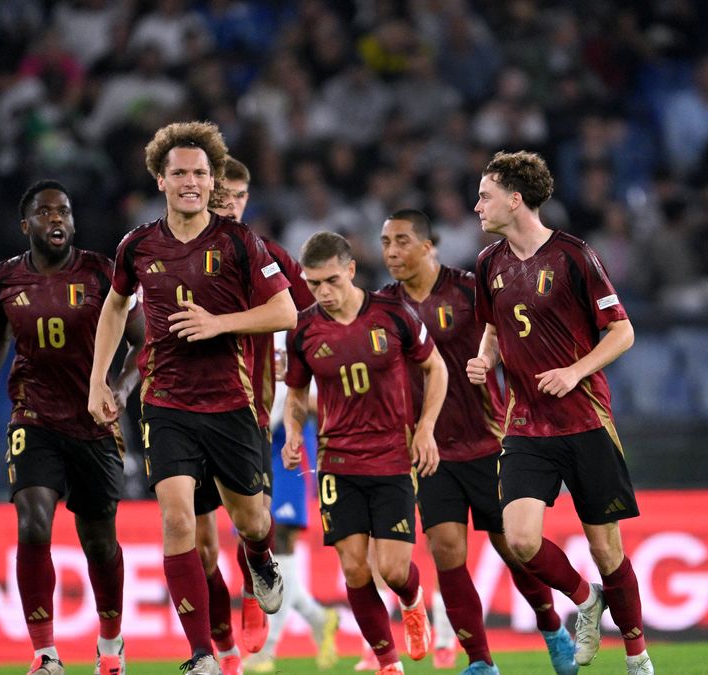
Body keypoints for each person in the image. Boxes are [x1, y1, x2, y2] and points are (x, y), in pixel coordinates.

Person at [87, 121, 297, 675]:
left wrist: (218, 323)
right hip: (166, 404)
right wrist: (98, 379)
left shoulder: (238, 242)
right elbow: (115, 307)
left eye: (200, 174)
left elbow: (286, 312)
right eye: (179, 173)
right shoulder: (137, 245)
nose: (190, 182)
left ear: (212, 181)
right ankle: (202, 654)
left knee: (252, 522)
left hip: (230, 403)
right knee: (179, 524)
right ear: (160, 179)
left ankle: (259, 559)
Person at [465, 151, 652, 675]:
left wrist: (575, 371)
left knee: (607, 551)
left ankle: (637, 657)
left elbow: (623, 331)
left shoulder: (574, 255)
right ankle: (586, 600)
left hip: (585, 419)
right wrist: (484, 358)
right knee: (521, 539)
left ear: (514, 199)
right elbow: (494, 328)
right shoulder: (488, 264)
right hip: (526, 423)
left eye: (484, 196)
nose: (477, 206)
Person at [379, 208, 578, 675]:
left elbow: (516, 340)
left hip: (489, 442)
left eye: (402, 241)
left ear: (428, 246)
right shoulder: (384, 307)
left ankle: (551, 626)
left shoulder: (470, 289)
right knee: (447, 552)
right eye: (386, 243)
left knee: (514, 548)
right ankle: (480, 662)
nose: (391, 252)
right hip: (430, 451)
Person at [0, 180, 145, 675]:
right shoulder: (2, 281)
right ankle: (45, 654)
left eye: (64, 210)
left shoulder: (103, 274)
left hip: (93, 422)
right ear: (26, 225)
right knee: (32, 522)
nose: (57, 218)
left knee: (99, 542)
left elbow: (143, 342)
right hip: (34, 416)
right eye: (45, 212)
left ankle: (111, 644)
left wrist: (120, 390)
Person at [282, 231, 447, 675]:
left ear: (351, 270)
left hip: (392, 458)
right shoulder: (303, 330)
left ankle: (412, 601)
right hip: (336, 461)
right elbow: (295, 392)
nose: (323, 293)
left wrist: (426, 429)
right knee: (355, 570)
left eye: (331, 281)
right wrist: (294, 432)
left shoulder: (392, 314)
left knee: (393, 570)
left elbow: (435, 367)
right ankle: (387, 662)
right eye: (314, 284)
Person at [203, 158, 337, 673]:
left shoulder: (270, 262)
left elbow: (315, 322)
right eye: (224, 194)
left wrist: (307, 404)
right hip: (209, 411)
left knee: (274, 534)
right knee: (225, 532)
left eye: (240, 196)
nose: (232, 205)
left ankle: (274, 636)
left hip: (277, 431)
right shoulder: (185, 257)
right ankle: (313, 618)